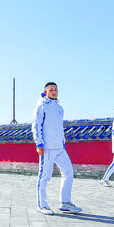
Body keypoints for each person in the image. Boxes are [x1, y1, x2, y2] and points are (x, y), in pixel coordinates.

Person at [32, 82, 81, 215]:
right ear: (45, 91)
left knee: (68, 172)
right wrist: (39, 143)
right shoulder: (41, 106)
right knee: (44, 177)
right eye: (51, 90)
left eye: (55, 90)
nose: (54, 92)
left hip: (60, 148)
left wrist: (63, 142)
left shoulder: (60, 108)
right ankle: (42, 205)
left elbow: (59, 127)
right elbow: (36, 126)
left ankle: (65, 202)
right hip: (47, 148)